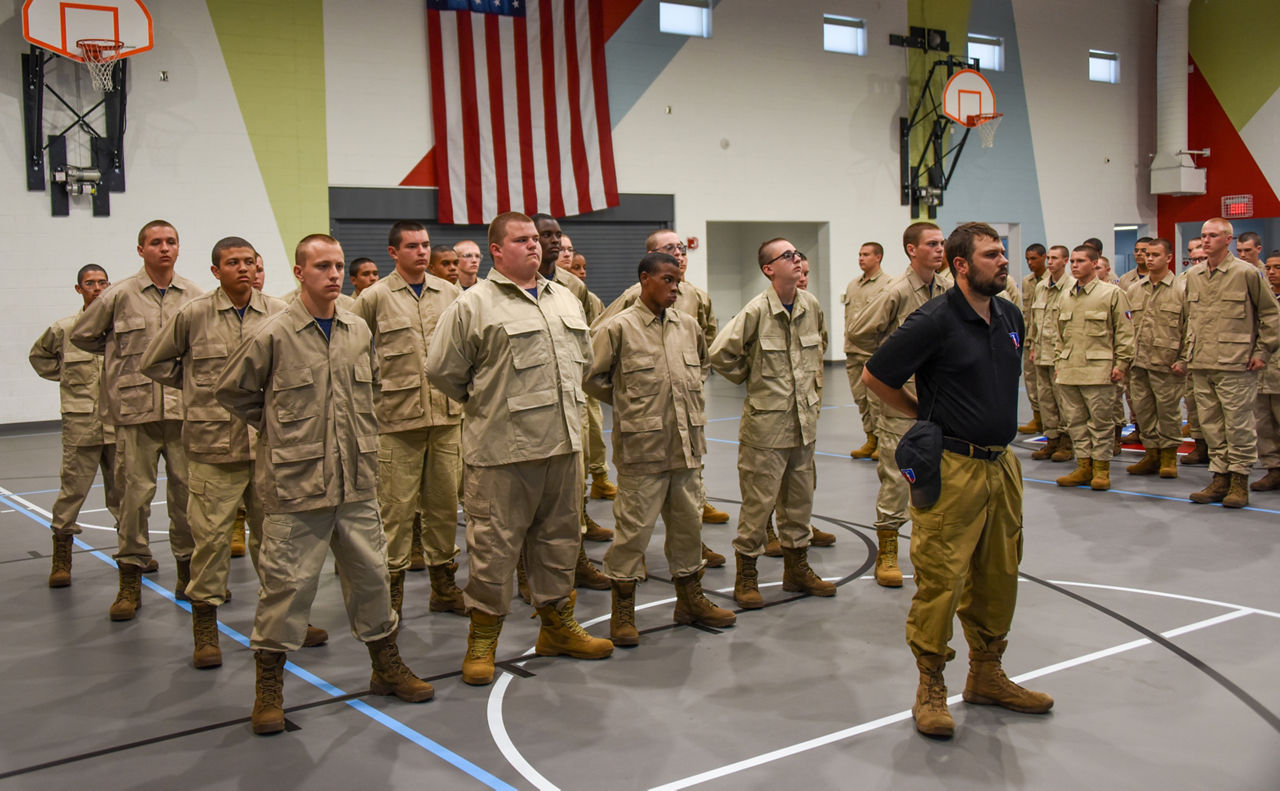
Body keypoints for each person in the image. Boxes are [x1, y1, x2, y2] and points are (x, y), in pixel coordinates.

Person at [215, 234, 433, 735]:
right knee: (286, 590)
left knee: (373, 580)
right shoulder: (273, 332)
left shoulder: (358, 328)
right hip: (297, 486)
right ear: (299, 273)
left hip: (356, 482)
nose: (334, 275)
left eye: (339, 265)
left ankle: (386, 666)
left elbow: (372, 387)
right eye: (322, 267)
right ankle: (268, 691)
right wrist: (278, 428)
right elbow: (233, 391)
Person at [863, 221, 1053, 740]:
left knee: (1000, 574)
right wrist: (924, 414)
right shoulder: (934, 319)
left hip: (1001, 465)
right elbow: (875, 376)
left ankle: (987, 675)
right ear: (961, 265)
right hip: (952, 468)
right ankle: (930, 684)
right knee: (941, 581)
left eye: (1003, 253)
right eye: (992, 255)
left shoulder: (1011, 315)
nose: (1004, 261)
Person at [426, 212, 613, 686]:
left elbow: (585, 363)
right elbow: (443, 372)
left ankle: (557, 628)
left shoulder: (566, 300)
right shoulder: (473, 305)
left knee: (558, 544)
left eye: (536, 239)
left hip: (564, 446)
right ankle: (483, 639)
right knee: (492, 550)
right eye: (522, 240)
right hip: (502, 453)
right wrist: (490, 406)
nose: (534, 246)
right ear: (496, 250)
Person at [140, 237, 317, 668]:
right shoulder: (194, 314)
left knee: (275, 543)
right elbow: (154, 362)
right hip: (211, 449)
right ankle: (206, 629)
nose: (242, 268)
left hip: (267, 448)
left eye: (248, 262)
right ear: (216, 271)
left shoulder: (280, 313)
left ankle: (284, 621)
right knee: (211, 543)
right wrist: (196, 387)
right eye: (232, 263)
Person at [585, 252, 735, 645]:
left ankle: (690, 601)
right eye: (667, 280)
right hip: (644, 449)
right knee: (632, 534)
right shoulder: (619, 328)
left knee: (688, 527)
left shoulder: (687, 325)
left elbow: (702, 367)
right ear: (644, 280)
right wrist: (629, 400)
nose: (675, 288)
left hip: (686, 447)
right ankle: (622, 612)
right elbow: (591, 376)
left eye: (678, 281)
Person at [71, 220, 203, 621]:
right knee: (134, 498)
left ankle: (186, 574)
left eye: (171, 242)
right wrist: (117, 361)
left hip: (181, 411)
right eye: (155, 242)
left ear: (178, 248)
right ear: (141, 249)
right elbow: (83, 335)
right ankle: (130, 579)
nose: (164, 248)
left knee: (186, 498)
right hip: (133, 414)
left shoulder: (194, 296)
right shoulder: (119, 295)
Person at [708, 237, 834, 608]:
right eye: (788, 256)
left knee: (800, 503)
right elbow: (720, 354)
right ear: (769, 269)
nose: (797, 260)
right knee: (758, 505)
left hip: (803, 423)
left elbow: (821, 344)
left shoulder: (810, 305)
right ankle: (747, 574)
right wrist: (750, 374)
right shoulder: (756, 311)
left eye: (797, 254)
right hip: (766, 427)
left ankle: (797, 570)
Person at [352, 221, 466, 620]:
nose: (422, 252)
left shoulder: (451, 293)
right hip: (396, 424)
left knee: (444, 507)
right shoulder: (373, 298)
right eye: (413, 246)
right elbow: (352, 354)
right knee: (395, 513)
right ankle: (391, 598)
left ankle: (444, 587)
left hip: (446, 418)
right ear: (393, 252)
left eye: (425, 245)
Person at [595, 229, 726, 526]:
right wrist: (626, 394)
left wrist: (690, 379)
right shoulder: (632, 297)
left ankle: (698, 509)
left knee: (688, 473)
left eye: (681, 248)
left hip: (683, 401)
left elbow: (707, 340)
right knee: (642, 498)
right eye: (670, 248)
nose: (679, 253)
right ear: (652, 259)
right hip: (646, 412)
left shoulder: (696, 296)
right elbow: (599, 340)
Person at [846, 221, 947, 587]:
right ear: (911, 249)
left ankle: (928, 549)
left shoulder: (948, 289)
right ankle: (888, 548)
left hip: (939, 394)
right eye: (932, 244)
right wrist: (892, 359)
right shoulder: (896, 291)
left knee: (940, 473)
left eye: (942, 243)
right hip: (900, 398)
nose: (940, 249)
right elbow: (859, 332)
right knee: (896, 474)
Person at [1174, 218, 1280, 508]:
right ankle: (1219, 478)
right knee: (1211, 426)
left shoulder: (1246, 273)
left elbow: (1271, 316)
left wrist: (1262, 352)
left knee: (1239, 426)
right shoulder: (1193, 275)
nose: (1206, 240)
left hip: (1236, 364)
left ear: (1228, 240)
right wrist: (1185, 356)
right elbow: (1187, 321)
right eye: (1203, 235)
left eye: (1213, 236)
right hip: (1201, 363)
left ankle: (1238, 481)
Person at [530, 214, 615, 567]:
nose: (552, 241)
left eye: (557, 235)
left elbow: (587, 338)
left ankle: (576, 559)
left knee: (573, 480)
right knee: (534, 490)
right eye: (543, 235)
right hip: (532, 402)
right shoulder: (515, 286)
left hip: (571, 398)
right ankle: (530, 567)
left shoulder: (573, 287)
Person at [29, 264, 121, 588]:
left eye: (102, 283)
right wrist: (65, 377)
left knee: (123, 493)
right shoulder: (65, 329)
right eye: (89, 283)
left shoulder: (120, 329)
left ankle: (131, 555)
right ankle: (61, 558)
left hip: (117, 424)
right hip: (81, 425)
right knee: (72, 492)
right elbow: (39, 357)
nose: (96, 288)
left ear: (109, 287)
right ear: (78, 289)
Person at [1053, 245, 1134, 491]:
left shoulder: (1111, 293)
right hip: (1070, 369)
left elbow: (1125, 332)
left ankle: (1101, 469)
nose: (1074, 265)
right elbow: (1059, 334)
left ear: (1094, 263)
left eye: (1080, 261)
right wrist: (1058, 362)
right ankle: (1083, 466)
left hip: (1099, 370)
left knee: (1100, 424)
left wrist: (1121, 364)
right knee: (1075, 423)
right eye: (1073, 261)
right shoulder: (1065, 295)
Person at [554, 248, 616, 509]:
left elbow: (597, 333)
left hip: (584, 377)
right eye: (563, 251)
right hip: (559, 382)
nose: (566, 255)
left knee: (592, 433)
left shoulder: (584, 296)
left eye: (582, 266)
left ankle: (597, 480)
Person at [1123, 239, 1186, 479]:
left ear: (1169, 257)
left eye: (1156, 255)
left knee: (1168, 412)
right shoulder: (1134, 290)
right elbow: (1126, 327)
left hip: (1167, 363)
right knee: (1143, 410)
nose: (1149, 259)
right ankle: (1151, 455)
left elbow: (1190, 328)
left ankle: (1169, 457)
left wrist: (1184, 359)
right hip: (1139, 363)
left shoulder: (1181, 290)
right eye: (1147, 255)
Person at [1026, 245, 1075, 462]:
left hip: (1060, 354)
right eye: (1050, 258)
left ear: (1065, 261)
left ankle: (1067, 442)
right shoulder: (1041, 287)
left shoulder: (1072, 287)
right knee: (1045, 399)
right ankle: (1051, 440)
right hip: (1041, 351)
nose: (1051, 262)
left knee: (1063, 400)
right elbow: (1035, 321)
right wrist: (1033, 345)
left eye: (1055, 258)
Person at [843, 242, 889, 459]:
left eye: (866, 254)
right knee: (861, 398)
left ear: (878, 257)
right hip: (853, 352)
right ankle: (870, 438)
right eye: (859, 254)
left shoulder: (887, 285)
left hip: (874, 353)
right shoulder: (853, 285)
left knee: (876, 400)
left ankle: (883, 440)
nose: (861, 258)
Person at [1252, 253, 1280, 491]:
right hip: (1262, 373)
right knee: (1264, 425)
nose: (1272, 272)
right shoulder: (1262, 298)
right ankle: (1273, 469)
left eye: (1278, 268)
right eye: (1269, 268)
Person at [1180, 241, 1210, 464]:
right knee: (1193, 403)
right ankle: (1200, 446)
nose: (1197, 263)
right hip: (1193, 353)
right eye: (1193, 259)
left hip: (1223, 355)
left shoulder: (1242, 275)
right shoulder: (1184, 281)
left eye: (1201, 259)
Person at [1016, 244, 1047, 434]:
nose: (1030, 263)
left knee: (1049, 386)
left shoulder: (1051, 282)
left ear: (1044, 257)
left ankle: (1055, 427)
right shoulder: (1027, 281)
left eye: (1034, 258)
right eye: (1027, 259)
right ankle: (1039, 418)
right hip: (1029, 339)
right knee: (1031, 381)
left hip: (1047, 340)